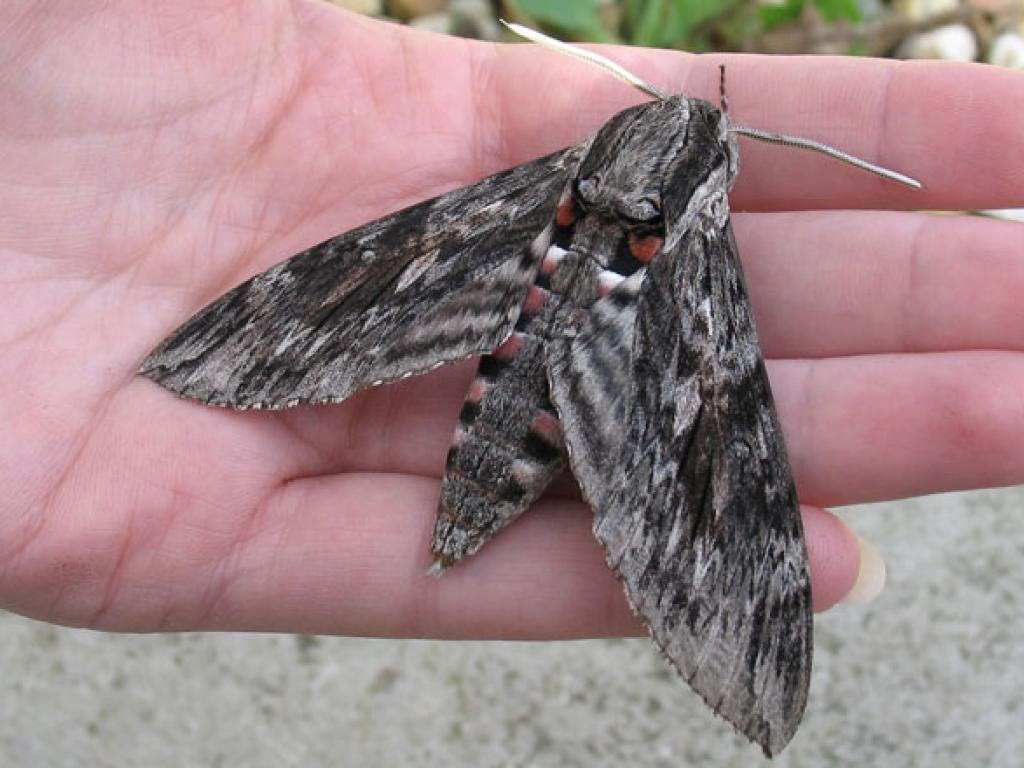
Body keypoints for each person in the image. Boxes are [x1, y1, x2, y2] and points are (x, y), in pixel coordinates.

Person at [1, 2, 1021, 639]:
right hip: (548, 398)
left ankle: (722, 623)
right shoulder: (698, 249)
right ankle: (725, 619)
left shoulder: (546, 188)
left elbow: (327, 299)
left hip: (502, 342)